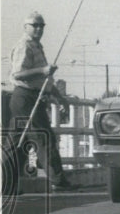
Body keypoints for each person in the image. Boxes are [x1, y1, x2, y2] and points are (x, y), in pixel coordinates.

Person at [7, 11, 75, 190]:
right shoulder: (24, 46)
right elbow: (18, 74)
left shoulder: (37, 46)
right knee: (44, 138)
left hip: (30, 98)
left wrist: (59, 97)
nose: (38, 28)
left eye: (41, 25)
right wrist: (43, 70)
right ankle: (58, 181)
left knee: (15, 143)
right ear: (25, 27)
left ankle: (5, 183)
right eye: (34, 25)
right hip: (25, 97)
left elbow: (43, 80)